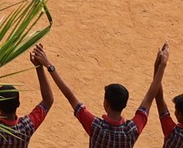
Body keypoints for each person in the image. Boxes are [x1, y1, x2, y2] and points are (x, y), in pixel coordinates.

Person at [36, 41, 165, 148]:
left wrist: (49, 66)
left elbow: (69, 95)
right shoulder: (131, 130)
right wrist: (160, 66)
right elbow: (150, 96)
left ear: (106, 104)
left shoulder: (96, 127)